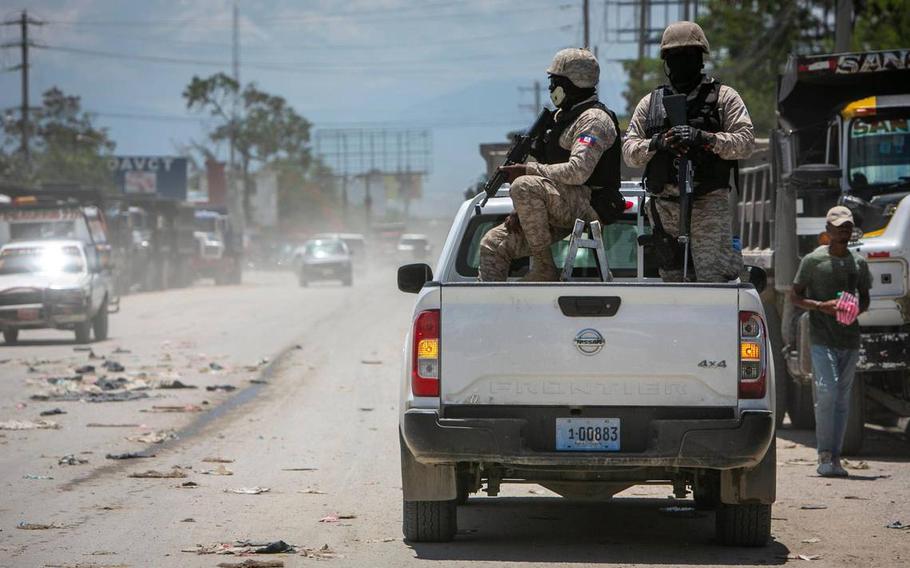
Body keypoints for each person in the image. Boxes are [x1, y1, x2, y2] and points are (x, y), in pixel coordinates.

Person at [622, 21, 754, 282]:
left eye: (689, 57)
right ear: (666, 62)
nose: (682, 63)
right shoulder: (651, 103)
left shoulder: (723, 98)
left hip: (707, 204)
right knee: (672, 283)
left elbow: (745, 142)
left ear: (700, 59)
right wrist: (658, 143)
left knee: (714, 281)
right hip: (665, 207)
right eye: (675, 57)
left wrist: (704, 138)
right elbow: (629, 151)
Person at [478, 48, 624, 282]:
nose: (550, 88)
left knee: (524, 185)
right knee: (493, 244)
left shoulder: (594, 120)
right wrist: (524, 210)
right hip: (562, 203)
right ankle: (490, 311)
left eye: (555, 82)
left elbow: (577, 171)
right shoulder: (561, 119)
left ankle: (544, 267)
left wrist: (526, 171)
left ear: (573, 83)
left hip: (589, 204)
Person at [790, 206, 872, 478]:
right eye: (838, 227)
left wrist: (852, 310)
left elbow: (865, 299)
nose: (844, 231)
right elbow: (795, 297)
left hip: (849, 340)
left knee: (841, 400)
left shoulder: (858, 263)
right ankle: (824, 454)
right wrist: (820, 305)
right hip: (821, 338)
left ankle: (836, 458)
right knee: (827, 392)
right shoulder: (813, 261)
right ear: (827, 231)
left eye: (847, 226)